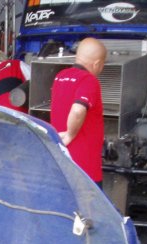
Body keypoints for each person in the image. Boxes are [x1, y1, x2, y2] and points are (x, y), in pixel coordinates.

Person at [50, 37, 107, 187]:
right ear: (97, 64)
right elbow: (77, 110)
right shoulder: (89, 80)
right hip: (84, 168)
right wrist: (70, 134)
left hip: (62, 162)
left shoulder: (60, 76)